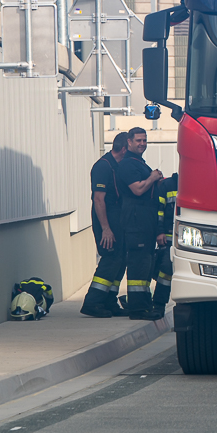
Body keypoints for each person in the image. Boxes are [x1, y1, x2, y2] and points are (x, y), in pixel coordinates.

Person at [81, 132, 131, 318]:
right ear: (124, 148)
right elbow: (98, 199)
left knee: (120, 259)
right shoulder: (103, 166)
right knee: (111, 258)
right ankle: (93, 302)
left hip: (117, 219)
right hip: (107, 220)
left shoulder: (118, 166)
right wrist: (106, 229)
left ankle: (109, 301)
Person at [116, 127, 164, 320]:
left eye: (144, 140)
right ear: (129, 141)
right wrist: (152, 177)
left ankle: (144, 305)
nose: (142, 144)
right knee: (138, 264)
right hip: (136, 222)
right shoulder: (128, 164)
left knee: (146, 264)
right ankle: (137, 309)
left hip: (145, 222)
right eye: (138, 140)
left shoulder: (139, 163)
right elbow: (137, 189)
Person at [152, 173, 178, 319]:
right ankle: (158, 305)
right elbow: (159, 211)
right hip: (169, 238)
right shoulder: (168, 185)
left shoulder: (199, 185)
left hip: (193, 239)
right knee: (166, 271)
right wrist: (160, 232)